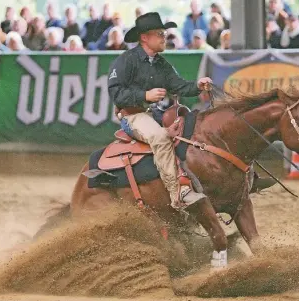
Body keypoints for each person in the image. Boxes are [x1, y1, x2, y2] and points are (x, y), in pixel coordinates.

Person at [108, 12, 275, 209]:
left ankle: (247, 177)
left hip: (157, 113)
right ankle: (177, 192)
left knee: (200, 130)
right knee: (160, 137)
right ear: (145, 37)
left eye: (165, 33)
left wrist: (197, 86)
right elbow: (116, 93)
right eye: (160, 34)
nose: (165, 37)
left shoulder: (161, 64)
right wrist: (145, 96)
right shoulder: (126, 60)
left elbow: (179, 86)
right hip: (133, 115)